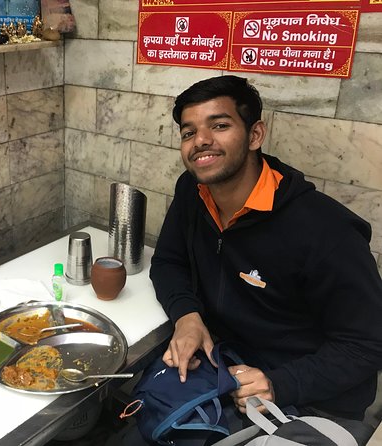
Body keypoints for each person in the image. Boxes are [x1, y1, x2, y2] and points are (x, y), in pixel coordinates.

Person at [150, 75, 382, 444]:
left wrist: (280, 383)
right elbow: (168, 262)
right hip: (226, 369)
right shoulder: (193, 192)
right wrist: (187, 317)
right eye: (188, 132)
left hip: (310, 401)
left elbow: (367, 344)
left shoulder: (325, 230)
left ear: (255, 135)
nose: (201, 141)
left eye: (219, 125)